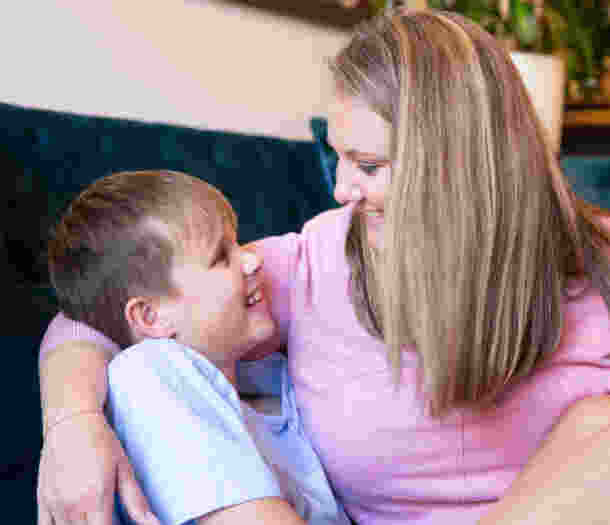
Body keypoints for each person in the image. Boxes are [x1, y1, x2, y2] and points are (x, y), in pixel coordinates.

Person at [38, 8, 610, 525]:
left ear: (457, 162)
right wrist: (72, 424)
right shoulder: (317, 261)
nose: (340, 189)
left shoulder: (595, 263)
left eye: (366, 163)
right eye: (339, 156)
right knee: (143, 370)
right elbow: (99, 314)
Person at [43, 170, 350, 525]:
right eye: (222, 256)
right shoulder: (147, 370)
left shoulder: (277, 379)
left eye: (239, 243)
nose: (254, 260)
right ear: (151, 316)